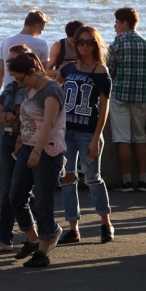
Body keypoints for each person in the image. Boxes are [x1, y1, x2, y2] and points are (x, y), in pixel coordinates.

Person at [7, 52, 68, 268]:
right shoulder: (31, 88)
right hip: (28, 148)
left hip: (46, 152)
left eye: (20, 78)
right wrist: (22, 141)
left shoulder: (51, 90)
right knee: (16, 196)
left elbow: (49, 124)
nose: (19, 83)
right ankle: (34, 237)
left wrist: (37, 151)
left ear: (32, 72)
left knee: (43, 200)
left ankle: (43, 250)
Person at [56, 26, 114, 244]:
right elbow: (53, 92)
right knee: (67, 178)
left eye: (89, 42)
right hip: (66, 132)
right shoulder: (68, 68)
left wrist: (96, 137)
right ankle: (73, 228)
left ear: (96, 44)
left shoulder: (100, 71)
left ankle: (105, 223)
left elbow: (104, 106)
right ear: (74, 43)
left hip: (88, 132)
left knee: (92, 178)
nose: (84, 45)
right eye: (80, 41)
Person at [0, 43, 33, 253]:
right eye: (8, 61)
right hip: (7, 140)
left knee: (23, 192)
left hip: (25, 140)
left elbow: (22, 116)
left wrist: (5, 114)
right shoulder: (9, 86)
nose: (10, 65)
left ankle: (35, 235)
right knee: (6, 193)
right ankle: (5, 239)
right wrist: (7, 115)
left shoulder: (30, 87)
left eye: (14, 61)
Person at [107, 7, 146, 193]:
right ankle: (144, 181)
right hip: (142, 97)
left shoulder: (115, 46)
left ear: (125, 23)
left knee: (122, 139)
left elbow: (110, 73)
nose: (114, 26)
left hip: (120, 96)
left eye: (117, 22)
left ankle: (127, 181)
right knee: (139, 138)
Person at [0, 10, 50, 101]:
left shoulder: (6, 41)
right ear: (36, 26)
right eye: (42, 30)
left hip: (8, 94)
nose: (41, 33)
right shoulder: (41, 44)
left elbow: (1, 71)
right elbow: (43, 73)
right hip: (30, 95)